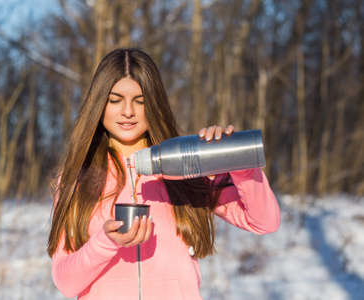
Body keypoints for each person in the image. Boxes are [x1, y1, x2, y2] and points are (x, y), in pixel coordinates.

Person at [47, 48, 280, 300]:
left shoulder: (188, 164)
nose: (128, 111)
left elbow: (264, 221)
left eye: (141, 100)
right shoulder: (77, 178)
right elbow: (66, 281)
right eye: (115, 100)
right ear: (99, 103)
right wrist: (105, 242)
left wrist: (236, 161)